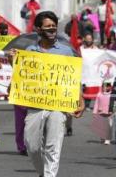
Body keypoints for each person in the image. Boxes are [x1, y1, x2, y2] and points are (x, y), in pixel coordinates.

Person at [10, 11, 85, 177]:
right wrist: (13, 61)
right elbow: (22, 77)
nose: (52, 29)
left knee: (52, 146)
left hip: (58, 106)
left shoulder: (65, 51)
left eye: (54, 26)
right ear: (38, 29)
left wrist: (80, 99)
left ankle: (50, 175)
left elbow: (73, 79)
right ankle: (43, 173)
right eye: (48, 26)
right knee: (32, 146)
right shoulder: (30, 50)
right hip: (35, 106)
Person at [93, 80, 113, 145]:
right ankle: (102, 137)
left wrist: (114, 111)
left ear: (110, 87)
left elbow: (114, 104)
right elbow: (96, 103)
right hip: (101, 112)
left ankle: (107, 139)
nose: (105, 87)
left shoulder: (112, 95)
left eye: (107, 86)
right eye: (104, 86)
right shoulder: (99, 94)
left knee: (109, 126)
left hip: (109, 113)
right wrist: (94, 112)